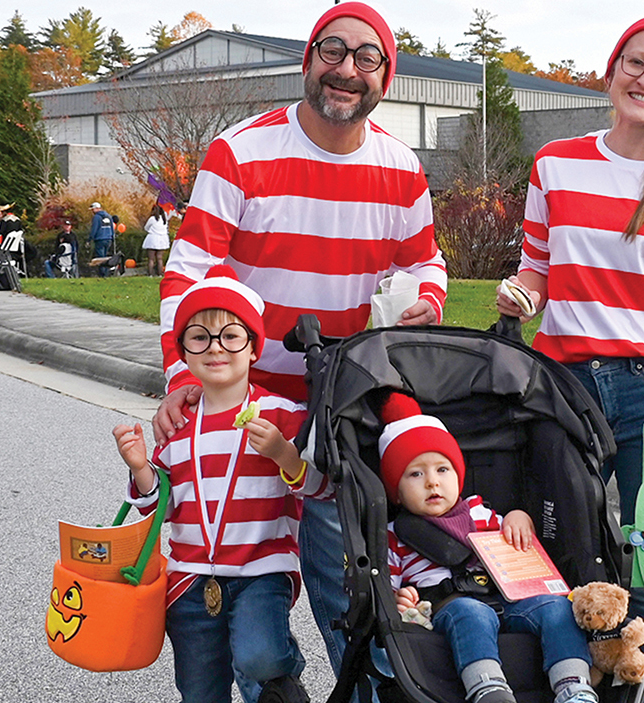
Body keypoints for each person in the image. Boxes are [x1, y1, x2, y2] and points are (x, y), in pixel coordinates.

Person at [153, 3, 447, 689]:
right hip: (243, 407)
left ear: (386, 75)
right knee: (245, 601)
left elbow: (423, 264)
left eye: (365, 57)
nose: (346, 69)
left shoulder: (401, 169)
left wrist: (426, 297)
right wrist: (180, 375)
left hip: (341, 413)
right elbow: (189, 270)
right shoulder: (240, 152)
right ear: (308, 59)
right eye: (332, 50)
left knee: (352, 599)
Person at [494, 17, 644, 703]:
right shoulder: (557, 164)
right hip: (563, 383)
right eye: (636, 63)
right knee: (556, 555)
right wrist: (520, 294)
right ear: (612, 71)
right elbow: (537, 271)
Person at [114, 266, 331, 703]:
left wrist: (283, 454)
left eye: (231, 336)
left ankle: (283, 687)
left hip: (261, 570)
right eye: (199, 338)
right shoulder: (176, 426)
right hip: (190, 580)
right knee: (198, 689)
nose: (216, 349)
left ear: (253, 349)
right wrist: (140, 469)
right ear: (185, 354)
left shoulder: (281, 415)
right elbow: (159, 507)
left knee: (261, 659)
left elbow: (321, 487)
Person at [379, 393, 597, 703]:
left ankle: (574, 686)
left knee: (557, 608)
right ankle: (488, 687)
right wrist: (398, 599)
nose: (432, 483)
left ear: (458, 476)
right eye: (416, 474)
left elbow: (513, 534)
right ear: (396, 493)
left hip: (507, 597)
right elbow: (386, 585)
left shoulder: (479, 513)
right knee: (470, 612)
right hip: (448, 605)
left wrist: (519, 517)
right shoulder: (395, 536)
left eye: (443, 470)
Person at [88, 202, 117, 277]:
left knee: (100, 257)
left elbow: (94, 229)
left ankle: (103, 274)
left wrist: (90, 239)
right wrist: (112, 237)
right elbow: (112, 228)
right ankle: (107, 272)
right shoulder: (109, 216)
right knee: (105, 257)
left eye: (93, 209)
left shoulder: (97, 217)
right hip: (108, 239)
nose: (92, 211)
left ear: (96, 209)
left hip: (100, 239)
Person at [142, 206, 171, 277]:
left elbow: (146, 227)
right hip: (162, 239)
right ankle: (160, 274)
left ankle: (150, 274)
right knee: (159, 258)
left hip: (152, 239)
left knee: (151, 259)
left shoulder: (152, 219)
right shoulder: (164, 219)